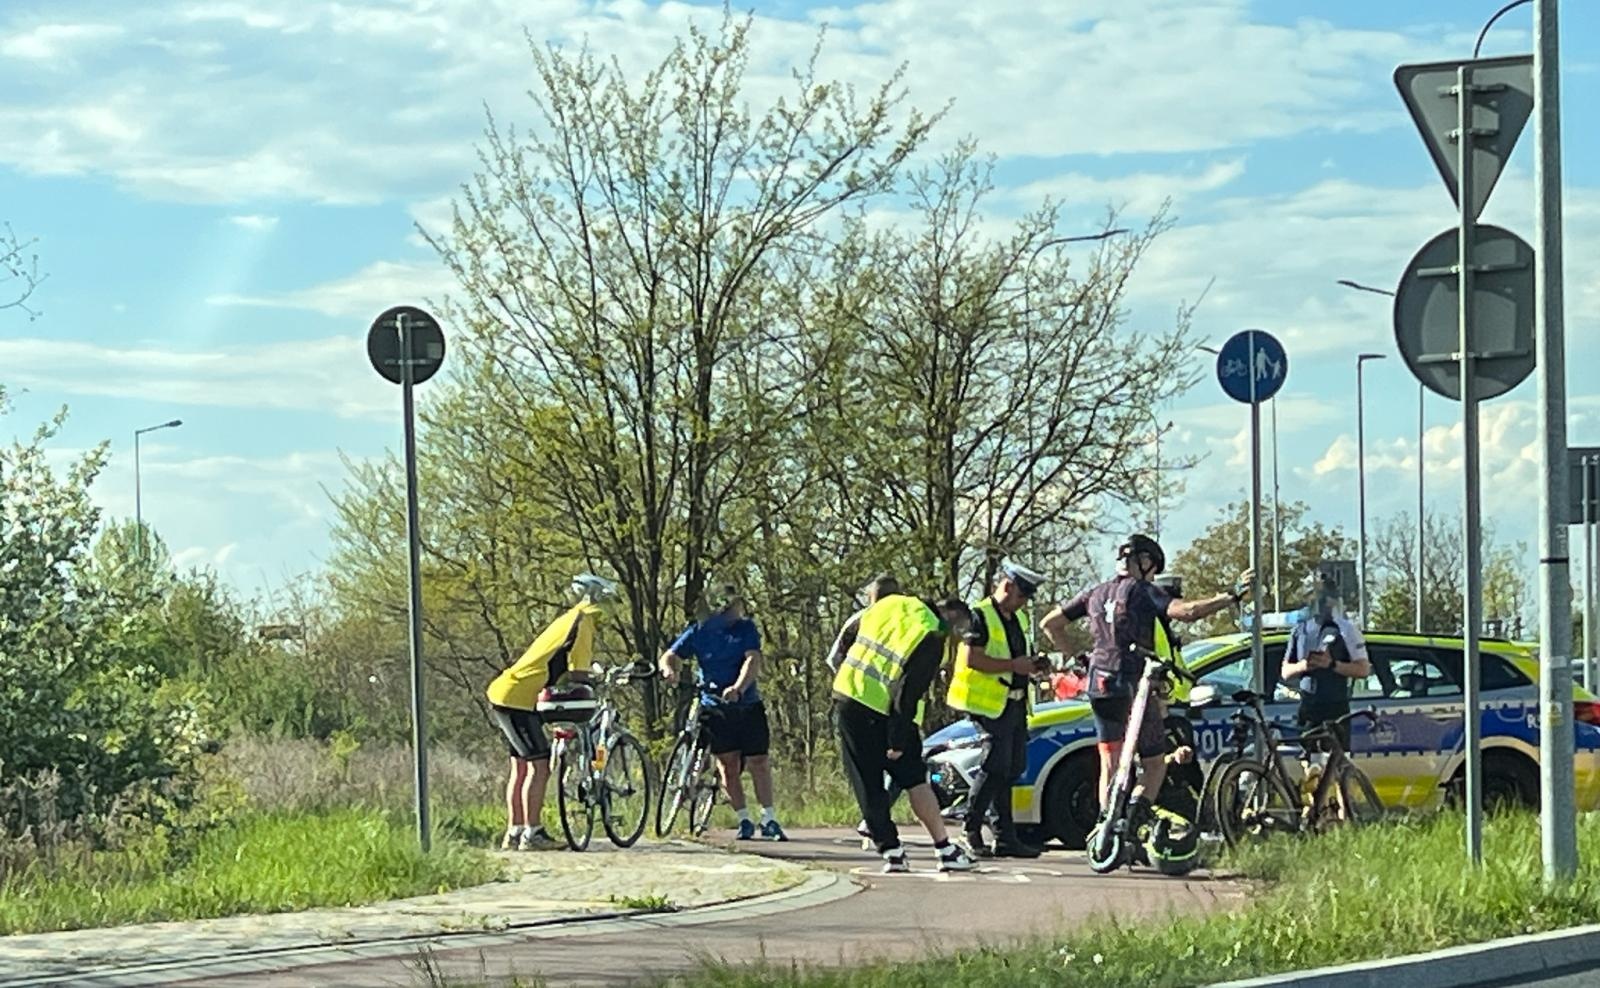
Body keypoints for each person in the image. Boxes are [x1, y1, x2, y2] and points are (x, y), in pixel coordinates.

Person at [1040, 535, 1251, 829]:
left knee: (1110, 762)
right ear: (1144, 563)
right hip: (1133, 686)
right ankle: (1132, 822)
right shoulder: (1141, 591)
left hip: (1099, 685)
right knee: (1154, 764)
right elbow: (1188, 612)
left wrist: (1079, 659)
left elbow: (1050, 625)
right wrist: (1230, 596)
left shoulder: (1095, 593)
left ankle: (1105, 826)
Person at [834, 590, 979, 873]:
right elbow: (908, 692)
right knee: (914, 778)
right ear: (951, 619)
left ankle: (892, 852)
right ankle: (944, 849)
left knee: (867, 782)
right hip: (885, 710)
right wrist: (898, 740)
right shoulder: (931, 634)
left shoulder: (890, 603)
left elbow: (847, 638)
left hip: (848, 696)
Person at [486, 573, 616, 851]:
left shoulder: (569, 617)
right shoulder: (584, 622)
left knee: (521, 766)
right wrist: (594, 683)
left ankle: (515, 832)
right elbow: (579, 672)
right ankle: (533, 834)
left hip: (509, 692)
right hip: (520, 698)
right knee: (540, 765)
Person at [658, 582, 786, 841]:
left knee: (758, 762)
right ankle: (744, 819)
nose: (739, 609)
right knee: (728, 764)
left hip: (746, 704)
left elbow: (753, 659)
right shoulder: (699, 631)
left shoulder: (746, 629)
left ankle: (769, 819)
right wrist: (669, 670)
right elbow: (669, 655)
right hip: (714, 706)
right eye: (735, 605)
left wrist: (738, 687)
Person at [947, 559, 1048, 858]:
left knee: (1012, 767)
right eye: (1022, 595)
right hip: (988, 704)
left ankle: (1005, 836)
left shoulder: (1018, 619)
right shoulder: (979, 616)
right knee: (995, 765)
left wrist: (1035, 665)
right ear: (1007, 585)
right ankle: (970, 827)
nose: (1023, 602)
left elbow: (1018, 656)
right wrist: (1013, 665)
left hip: (1014, 702)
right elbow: (973, 659)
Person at [826, 573, 904, 849]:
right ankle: (875, 820)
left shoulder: (859, 619)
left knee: (873, 770)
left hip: (856, 701)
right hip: (887, 705)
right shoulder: (900, 622)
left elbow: (834, 659)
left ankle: (874, 819)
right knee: (899, 768)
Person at [1280, 571, 1371, 751]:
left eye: (1325, 598)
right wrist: (1304, 665)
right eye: (1315, 598)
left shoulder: (1346, 629)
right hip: (1308, 706)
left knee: (1335, 762)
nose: (1322, 604)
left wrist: (1332, 664)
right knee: (1309, 761)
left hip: (1335, 707)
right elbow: (1285, 672)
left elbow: (1363, 669)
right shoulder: (1300, 630)